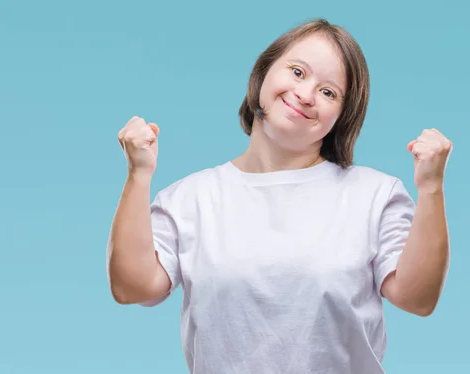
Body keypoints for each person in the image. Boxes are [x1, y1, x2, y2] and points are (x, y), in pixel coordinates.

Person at [106, 18, 453, 374]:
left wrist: (430, 188)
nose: (305, 94)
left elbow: (417, 298)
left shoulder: (375, 195)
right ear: (263, 73)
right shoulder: (190, 198)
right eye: (298, 72)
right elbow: (133, 287)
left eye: (328, 92)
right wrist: (138, 175)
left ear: (342, 118)